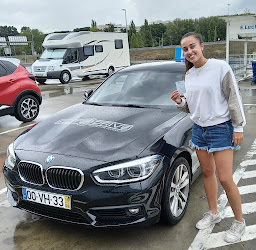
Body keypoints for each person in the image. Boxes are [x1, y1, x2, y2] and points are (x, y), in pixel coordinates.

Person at [171, 32, 246, 243]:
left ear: (202, 46)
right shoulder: (189, 75)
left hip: (221, 128)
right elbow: (191, 108)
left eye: (192, 46)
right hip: (199, 129)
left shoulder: (220, 67)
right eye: (185, 49)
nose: (189, 52)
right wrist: (179, 101)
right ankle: (214, 213)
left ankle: (239, 222)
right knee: (207, 172)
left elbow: (234, 97)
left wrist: (238, 127)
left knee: (225, 178)